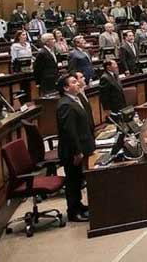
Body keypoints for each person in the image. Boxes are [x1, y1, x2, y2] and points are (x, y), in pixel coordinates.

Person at [56, 74, 94, 222]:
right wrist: (77, 152)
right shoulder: (65, 104)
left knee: (78, 180)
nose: (78, 83)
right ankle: (73, 212)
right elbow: (69, 131)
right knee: (72, 181)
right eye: (73, 82)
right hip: (72, 152)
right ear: (66, 88)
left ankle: (79, 205)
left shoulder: (74, 100)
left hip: (82, 147)